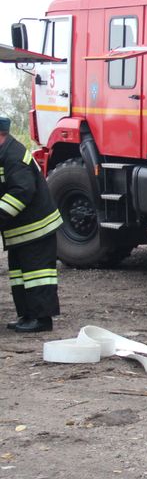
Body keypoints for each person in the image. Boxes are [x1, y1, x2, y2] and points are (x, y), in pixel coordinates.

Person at [0, 116, 62, 333]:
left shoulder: (13, 155)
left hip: (36, 228)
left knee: (37, 275)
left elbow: (22, 191)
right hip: (20, 231)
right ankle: (27, 316)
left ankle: (42, 320)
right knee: (19, 276)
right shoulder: (3, 153)